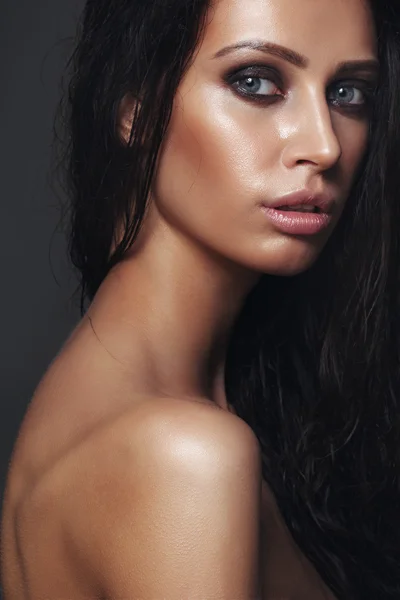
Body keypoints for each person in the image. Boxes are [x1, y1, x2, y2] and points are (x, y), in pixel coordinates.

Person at [1, 0, 400, 597]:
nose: (325, 146)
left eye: (348, 94)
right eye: (256, 82)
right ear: (135, 107)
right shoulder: (183, 458)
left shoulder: (106, 398)